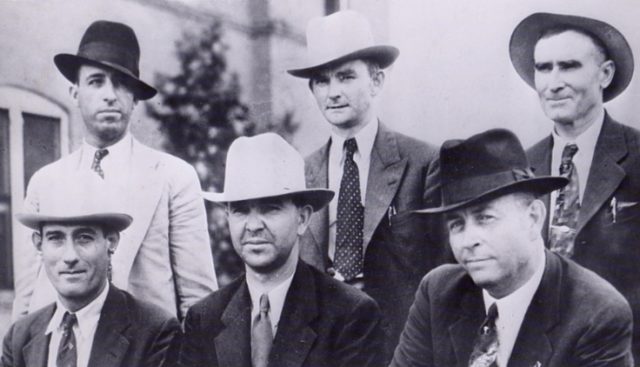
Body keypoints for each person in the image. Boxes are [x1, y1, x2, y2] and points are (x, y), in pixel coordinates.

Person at [13, 20, 217, 321]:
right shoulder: (45, 182)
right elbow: (26, 302)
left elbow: (199, 303)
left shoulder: (173, 177)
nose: (110, 94)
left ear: (135, 97)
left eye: (121, 83)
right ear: (75, 93)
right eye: (96, 81)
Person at [391, 129, 633, 367]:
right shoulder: (438, 292)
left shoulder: (597, 314)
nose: (468, 240)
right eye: (457, 224)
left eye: (485, 217)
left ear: (533, 218)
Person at [287, 10, 446, 360]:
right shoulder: (301, 171)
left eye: (346, 77)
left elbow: (444, 270)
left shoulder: (423, 162)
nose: (333, 92)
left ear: (376, 82)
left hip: (400, 346)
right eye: (322, 81)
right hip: (322, 348)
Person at [180, 133, 385, 367]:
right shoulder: (204, 318)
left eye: (270, 209)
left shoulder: (350, 314)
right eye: (240, 210)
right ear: (227, 217)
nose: (254, 225)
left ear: (302, 218)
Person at [510, 12, 640, 358]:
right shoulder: (521, 167)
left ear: (605, 74)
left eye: (568, 66)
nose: (552, 83)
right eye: (543, 68)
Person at [2, 197, 181, 367]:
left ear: (111, 242)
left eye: (84, 237)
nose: (70, 256)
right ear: (39, 244)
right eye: (56, 238)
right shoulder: (20, 336)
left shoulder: (155, 332)